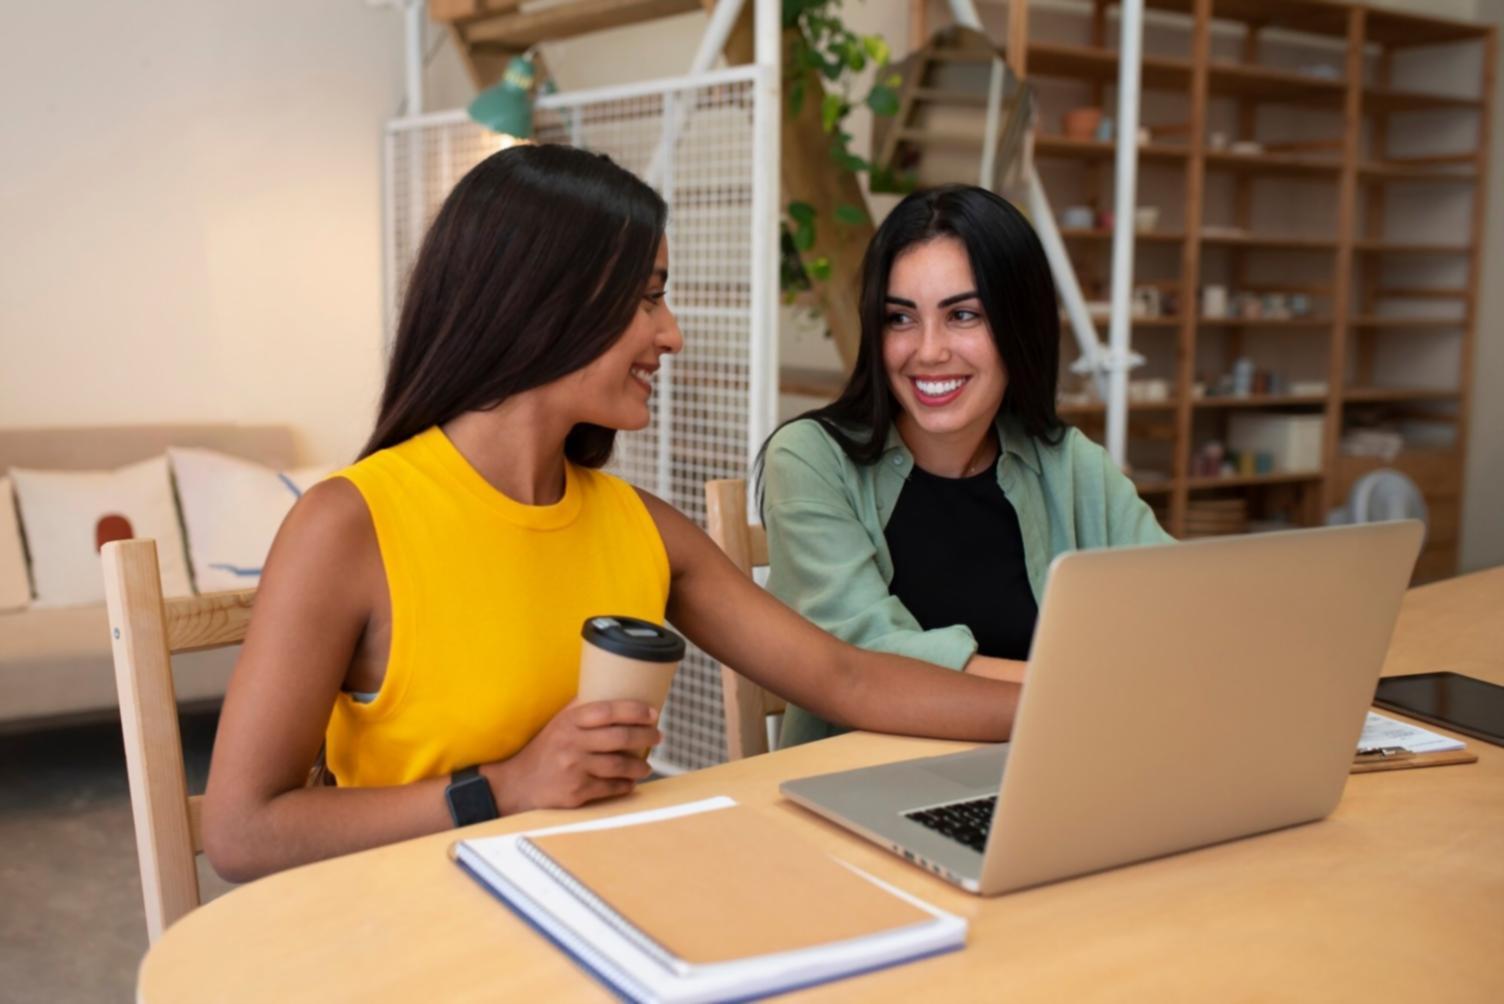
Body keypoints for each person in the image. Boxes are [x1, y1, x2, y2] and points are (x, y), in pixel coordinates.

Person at [202, 147, 1022, 882]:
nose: (671, 335)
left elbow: (846, 678)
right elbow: (242, 831)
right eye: (648, 300)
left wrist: (1079, 705)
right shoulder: (349, 526)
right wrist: (506, 790)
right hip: (409, 935)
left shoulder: (643, 528)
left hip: (590, 907)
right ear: (541, 302)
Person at [759, 184, 1172, 749]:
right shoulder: (811, 458)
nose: (928, 350)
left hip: (1046, 772)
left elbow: (1176, 608)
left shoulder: (1068, 462)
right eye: (900, 319)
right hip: (853, 785)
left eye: (963, 315)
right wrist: (1081, 691)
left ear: (1019, 325)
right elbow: (866, 654)